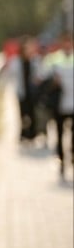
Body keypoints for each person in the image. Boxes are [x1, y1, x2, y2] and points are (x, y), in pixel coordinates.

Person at [42, 31, 73, 179]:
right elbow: (42, 78)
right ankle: (62, 160)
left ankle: (71, 155)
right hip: (60, 104)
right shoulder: (53, 60)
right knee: (60, 133)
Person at [9, 35, 43, 144]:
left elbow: (41, 74)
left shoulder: (35, 60)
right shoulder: (16, 61)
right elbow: (11, 74)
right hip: (22, 92)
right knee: (22, 114)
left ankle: (32, 135)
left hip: (33, 92)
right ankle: (23, 134)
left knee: (33, 113)